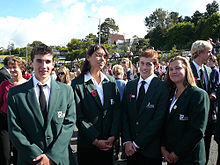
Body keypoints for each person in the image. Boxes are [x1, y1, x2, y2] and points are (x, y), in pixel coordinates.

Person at [7, 44, 76, 165]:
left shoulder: (66, 91)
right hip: (30, 160)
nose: (44, 66)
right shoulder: (15, 94)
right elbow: (15, 129)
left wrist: (51, 157)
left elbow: (69, 125)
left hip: (59, 160)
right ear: (31, 63)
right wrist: (37, 157)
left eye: (48, 61)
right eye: (39, 61)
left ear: (53, 64)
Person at [71, 44, 121, 165]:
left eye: (104, 56)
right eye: (98, 55)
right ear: (88, 57)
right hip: (88, 144)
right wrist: (95, 140)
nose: (102, 59)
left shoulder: (111, 81)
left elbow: (116, 110)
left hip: (108, 143)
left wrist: (113, 135)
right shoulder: (77, 84)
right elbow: (79, 116)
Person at [121, 49, 169, 165]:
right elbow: (124, 114)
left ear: (156, 65)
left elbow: (158, 120)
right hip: (130, 151)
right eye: (142, 63)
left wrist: (137, 144)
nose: (144, 67)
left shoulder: (162, 87)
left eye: (149, 64)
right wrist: (127, 141)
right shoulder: (130, 85)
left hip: (150, 150)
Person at [161, 56, 210, 165]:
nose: (174, 71)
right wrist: (163, 148)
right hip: (171, 157)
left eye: (178, 68)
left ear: (186, 70)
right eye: (171, 69)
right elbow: (164, 124)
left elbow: (197, 130)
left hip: (191, 158)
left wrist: (177, 153)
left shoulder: (198, 95)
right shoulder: (169, 94)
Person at [189, 40, 214, 164]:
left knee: (206, 151)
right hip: (192, 119)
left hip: (208, 119)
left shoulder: (208, 70)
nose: (211, 54)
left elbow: (212, 87)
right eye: (208, 52)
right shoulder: (186, 69)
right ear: (199, 53)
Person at [0, 56, 27, 165]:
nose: (12, 70)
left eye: (14, 67)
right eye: (10, 68)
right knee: (4, 155)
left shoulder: (28, 85)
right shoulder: (4, 85)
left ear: (22, 68)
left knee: (19, 155)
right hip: (4, 123)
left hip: (21, 124)